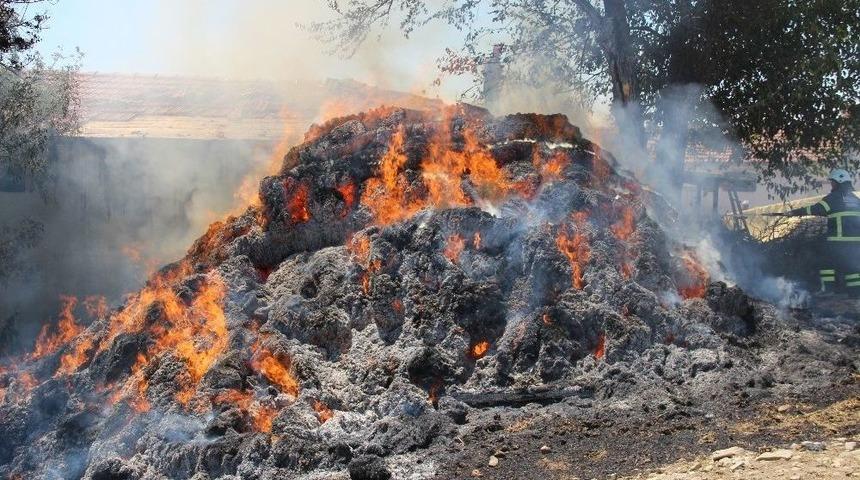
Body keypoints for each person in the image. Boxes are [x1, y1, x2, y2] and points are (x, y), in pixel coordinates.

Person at [786, 169, 860, 295]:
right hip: (856, 243)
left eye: (832, 182)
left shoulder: (833, 198)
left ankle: (829, 291)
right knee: (852, 268)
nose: (832, 185)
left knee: (826, 263)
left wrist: (794, 212)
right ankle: (856, 294)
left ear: (839, 182)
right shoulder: (856, 200)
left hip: (838, 241)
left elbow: (815, 209)